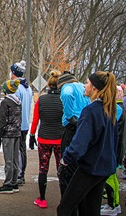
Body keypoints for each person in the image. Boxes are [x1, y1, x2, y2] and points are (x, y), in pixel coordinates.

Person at [57, 71, 118, 216]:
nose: (85, 86)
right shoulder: (109, 109)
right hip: (104, 167)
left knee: (65, 208)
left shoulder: (91, 111)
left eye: (88, 83)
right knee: (91, 210)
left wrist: (65, 159)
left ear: (95, 88)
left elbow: (80, 143)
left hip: (90, 168)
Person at [56, 71, 90, 215]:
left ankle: (69, 207)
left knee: (67, 170)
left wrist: (70, 115)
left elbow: (66, 94)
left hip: (72, 128)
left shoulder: (67, 87)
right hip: (84, 125)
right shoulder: (82, 86)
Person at [29, 70, 64, 208]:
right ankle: (63, 199)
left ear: (48, 85)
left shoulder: (41, 100)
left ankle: (42, 199)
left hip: (44, 138)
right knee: (61, 169)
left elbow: (35, 119)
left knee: (43, 169)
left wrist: (32, 135)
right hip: (60, 138)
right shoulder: (63, 100)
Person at [101, 85, 126, 215]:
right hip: (116, 148)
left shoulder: (117, 109)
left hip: (113, 148)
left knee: (109, 177)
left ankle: (112, 205)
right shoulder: (120, 108)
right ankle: (114, 204)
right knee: (112, 177)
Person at [0, 79, 21, 194]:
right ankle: (14, 182)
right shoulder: (18, 101)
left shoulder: (6, 103)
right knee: (15, 159)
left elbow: (2, 121)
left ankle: (8, 183)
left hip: (7, 134)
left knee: (8, 159)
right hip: (17, 133)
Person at [10, 60, 33, 185]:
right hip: (24, 123)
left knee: (17, 150)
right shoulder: (27, 87)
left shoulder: (17, 87)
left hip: (18, 123)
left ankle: (19, 174)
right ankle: (21, 173)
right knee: (22, 149)